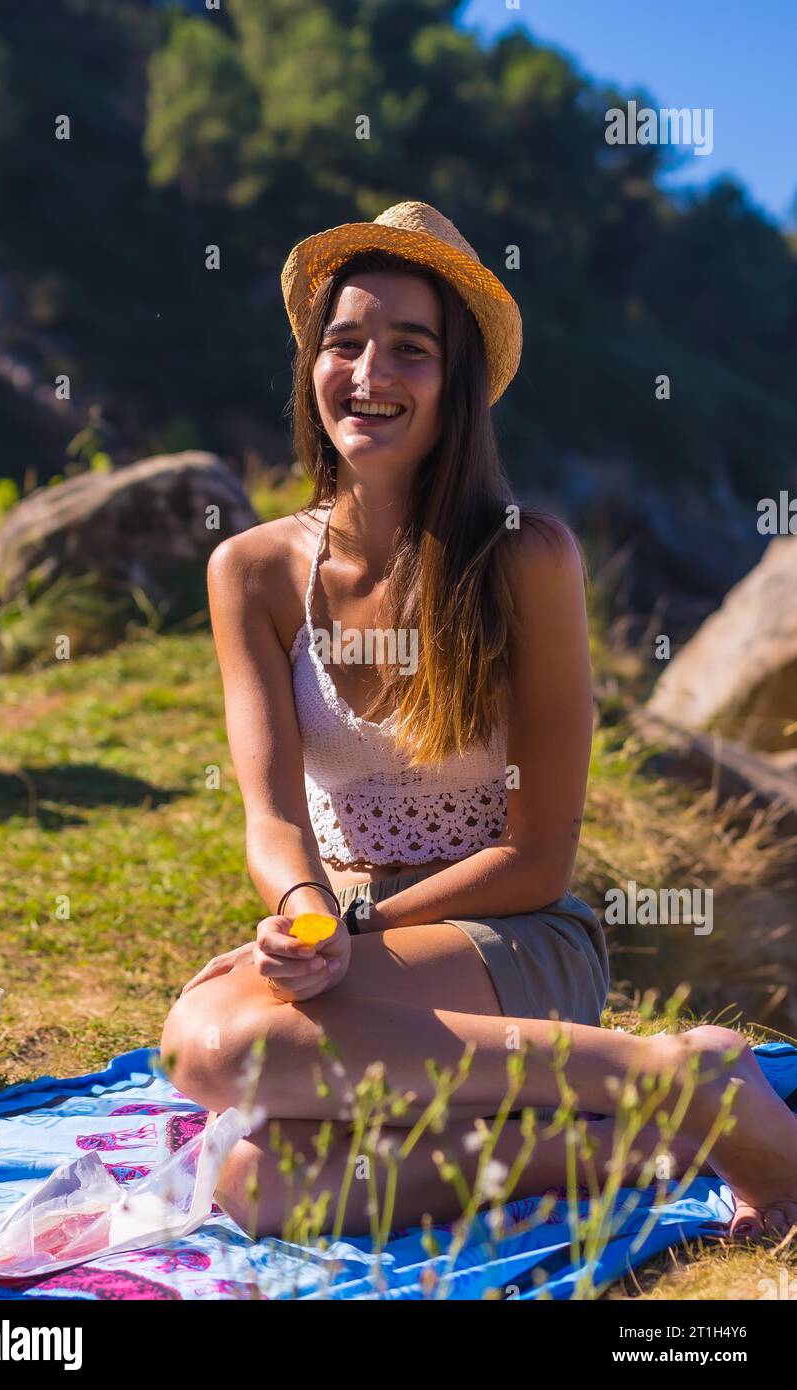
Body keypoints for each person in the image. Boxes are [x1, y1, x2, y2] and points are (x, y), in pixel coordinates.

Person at [161, 201, 797, 1242]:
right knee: (256, 1183)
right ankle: (668, 1111)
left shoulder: (522, 559)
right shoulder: (252, 571)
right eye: (344, 343)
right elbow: (270, 817)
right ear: (308, 366)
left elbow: (536, 856)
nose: (368, 373)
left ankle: (653, 1069)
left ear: (455, 385)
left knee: (214, 1046)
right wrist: (304, 914)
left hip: (511, 936)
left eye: (408, 349)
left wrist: (354, 930)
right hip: (350, 937)